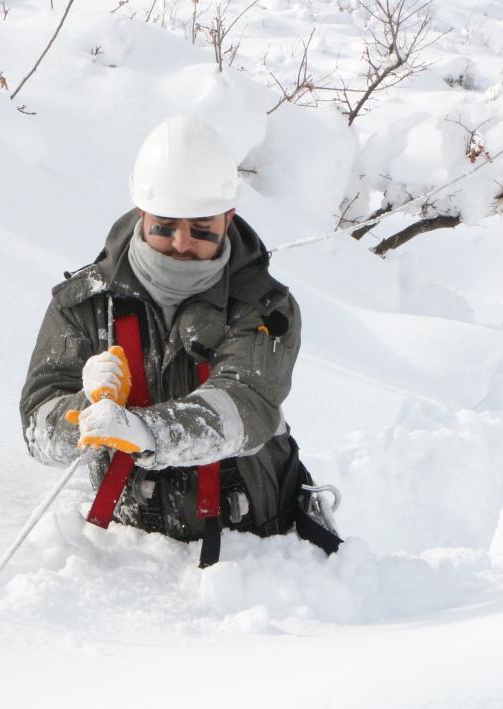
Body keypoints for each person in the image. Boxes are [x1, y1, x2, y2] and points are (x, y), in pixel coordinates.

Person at [19, 115, 339, 566]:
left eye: (202, 226)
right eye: (166, 225)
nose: (183, 242)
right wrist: (84, 414)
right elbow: (38, 429)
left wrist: (145, 431)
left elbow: (244, 404)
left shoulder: (267, 310)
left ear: (229, 216)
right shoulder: (83, 305)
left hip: (254, 553)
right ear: (141, 213)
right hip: (125, 551)